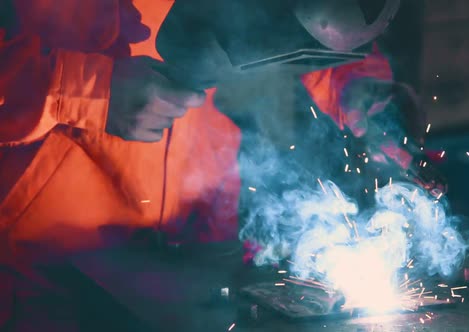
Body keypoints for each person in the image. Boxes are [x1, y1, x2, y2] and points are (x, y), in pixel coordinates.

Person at [0, 0, 418, 330]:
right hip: (40, 272)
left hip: (191, 247)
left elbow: (290, 22)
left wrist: (356, 84)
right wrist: (82, 89)